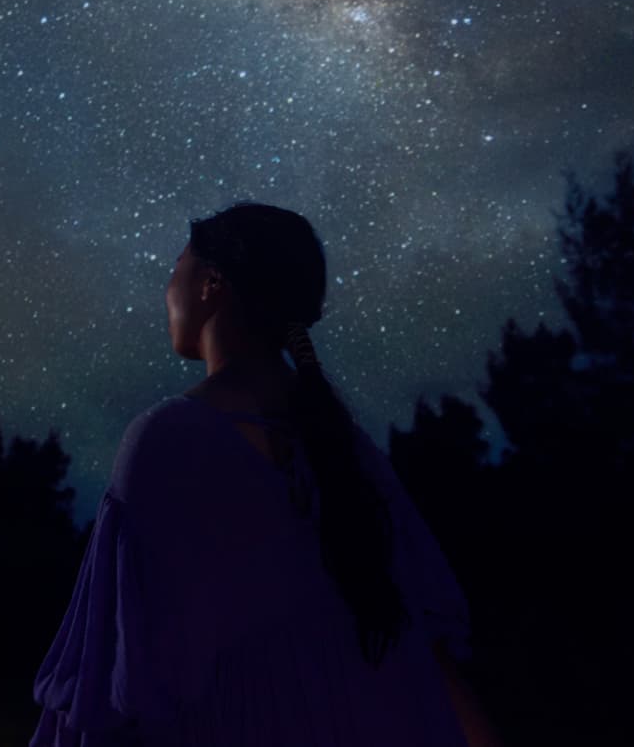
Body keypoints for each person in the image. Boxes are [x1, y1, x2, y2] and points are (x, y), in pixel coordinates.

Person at [29, 202, 501, 746]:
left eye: (175, 269)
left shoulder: (166, 440)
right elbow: (433, 659)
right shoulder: (349, 448)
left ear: (211, 283)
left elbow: (116, 674)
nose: (166, 290)